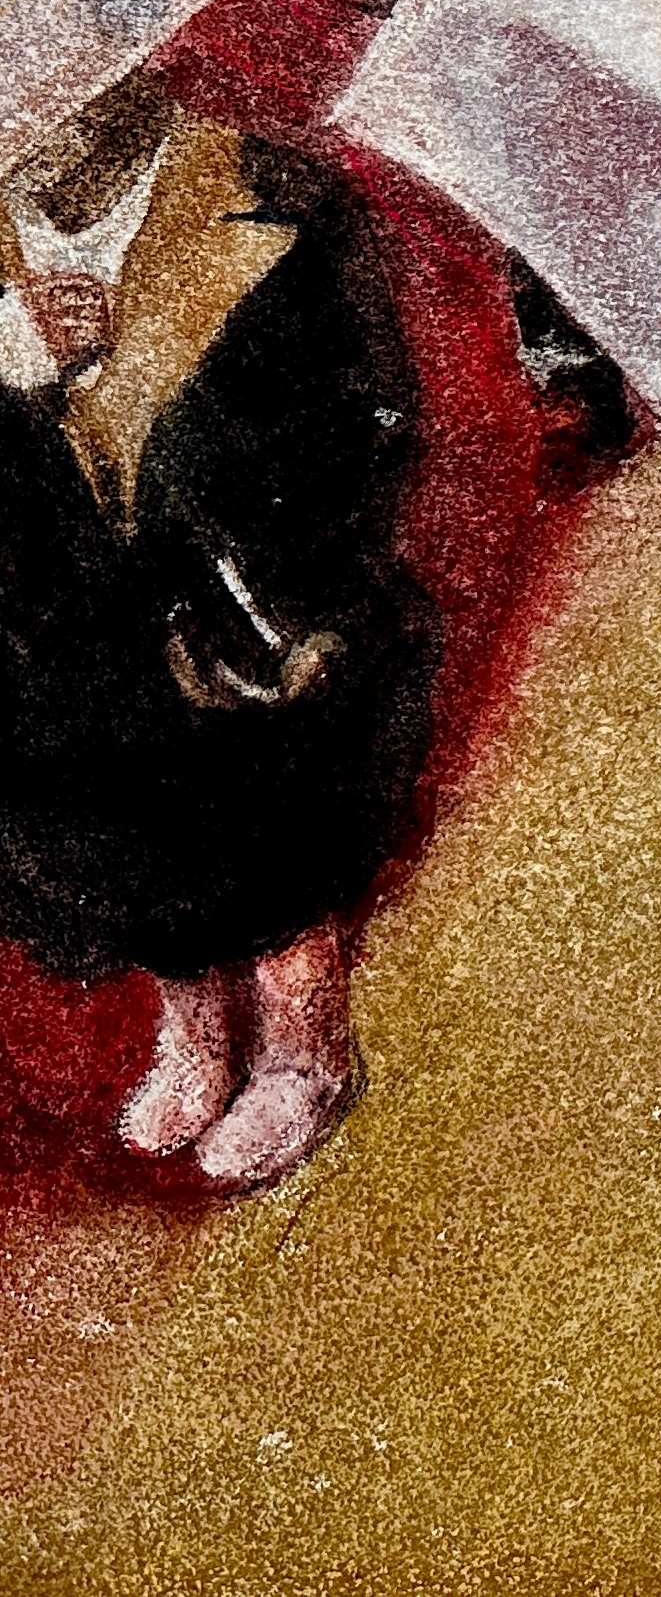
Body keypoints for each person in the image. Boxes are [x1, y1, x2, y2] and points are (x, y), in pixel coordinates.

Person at [0, 69, 434, 1192]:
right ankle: (195, 1027)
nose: (36, 125)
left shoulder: (272, 196)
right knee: (126, 842)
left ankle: (302, 1040)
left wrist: (267, 582)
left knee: (269, 828)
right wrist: (18, 362)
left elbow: (366, 416)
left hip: (253, 617)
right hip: (73, 647)